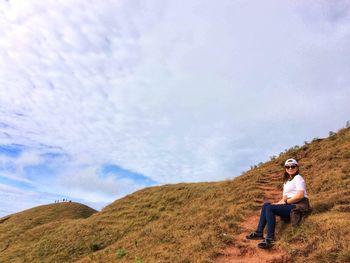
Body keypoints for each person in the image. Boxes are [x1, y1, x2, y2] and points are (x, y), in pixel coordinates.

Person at [246, 158, 310, 249]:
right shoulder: (286, 182)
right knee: (266, 205)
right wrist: (277, 204)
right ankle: (259, 232)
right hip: (290, 204)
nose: (290, 168)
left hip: (299, 204)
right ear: (285, 168)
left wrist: (287, 202)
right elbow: (284, 199)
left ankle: (270, 238)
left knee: (270, 208)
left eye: (293, 166)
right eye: (288, 167)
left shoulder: (298, 178)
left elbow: (300, 195)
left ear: (297, 168)